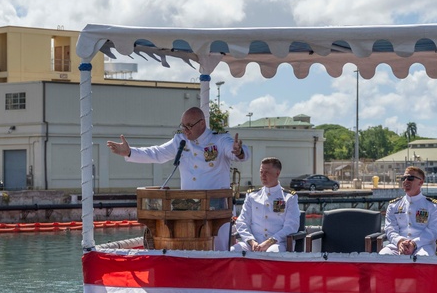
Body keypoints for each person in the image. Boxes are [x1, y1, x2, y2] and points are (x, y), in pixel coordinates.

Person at [106, 106, 249, 250]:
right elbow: (157, 153)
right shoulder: (180, 141)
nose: (185, 130)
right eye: (183, 126)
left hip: (217, 209)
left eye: (189, 126)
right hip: (190, 209)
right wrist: (129, 152)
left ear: (202, 123)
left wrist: (239, 151)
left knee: (217, 250)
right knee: (190, 250)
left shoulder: (219, 139)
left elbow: (236, 153)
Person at [232, 157, 300, 252]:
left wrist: (269, 241)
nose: (263, 176)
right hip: (253, 243)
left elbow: (291, 226)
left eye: (267, 172)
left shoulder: (288, 197)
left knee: (272, 252)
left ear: (277, 173)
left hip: (277, 243)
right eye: (261, 172)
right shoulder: (252, 196)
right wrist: (251, 241)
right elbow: (242, 222)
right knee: (234, 250)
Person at [379, 166, 437, 256]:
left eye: (410, 178)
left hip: (423, 245)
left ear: (420, 182)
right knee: (383, 256)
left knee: (422, 258)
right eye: (403, 178)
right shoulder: (394, 205)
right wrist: (400, 241)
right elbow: (390, 228)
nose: (405, 181)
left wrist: (414, 243)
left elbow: (433, 231)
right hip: (398, 245)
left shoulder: (433, 206)